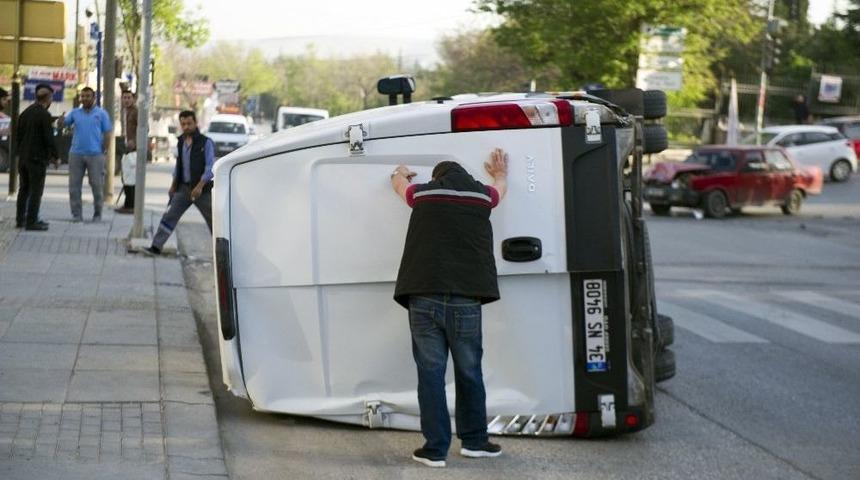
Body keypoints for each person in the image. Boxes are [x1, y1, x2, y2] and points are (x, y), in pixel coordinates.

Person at [390, 148, 509, 468]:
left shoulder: (424, 193)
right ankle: (474, 441)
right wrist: (499, 173)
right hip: (466, 299)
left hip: (424, 296)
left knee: (430, 374)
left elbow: (400, 186)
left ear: (438, 176)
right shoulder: (482, 197)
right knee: (469, 370)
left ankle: (435, 449)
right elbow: (499, 191)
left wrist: (399, 174)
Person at [144, 110, 214, 255]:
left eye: (189, 123)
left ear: (196, 123)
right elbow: (179, 166)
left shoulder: (206, 143)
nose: (186, 126)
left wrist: (200, 186)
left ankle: (222, 252)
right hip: (183, 189)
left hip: (203, 190)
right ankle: (156, 246)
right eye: (183, 124)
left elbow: (210, 168)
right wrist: (173, 186)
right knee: (169, 216)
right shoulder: (181, 141)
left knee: (214, 221)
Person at [59, 86, 113, 222]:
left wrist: (104, 149)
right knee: (74, 186)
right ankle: (76, 214)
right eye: (83, 96)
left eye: (88, 96)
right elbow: (64, 124)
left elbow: (108, 132)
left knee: (96, 185)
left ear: (94, 98)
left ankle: (97, 213)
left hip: (96, 154)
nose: (85, 98)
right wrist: (60, 121)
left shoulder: (101, 114)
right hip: (76, 153)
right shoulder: (75, 112)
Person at [15, 84, 59, 231]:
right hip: (37, 158)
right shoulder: (44, 115)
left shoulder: (25, 113)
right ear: (48, 98)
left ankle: (20, 219)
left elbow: (19, 136)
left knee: (24, 189)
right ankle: (32, 221)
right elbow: (48, 138)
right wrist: (55, 156)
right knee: (36, 190)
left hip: (23, 158)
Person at [117, 90, 138, 213]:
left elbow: (144, 128)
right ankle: (128, 204)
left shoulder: (135, 111)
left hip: (134, 149)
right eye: (124, 97)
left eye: (129, 97)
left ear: (133, 99)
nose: (126, 100)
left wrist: (134, 141)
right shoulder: (126, 111)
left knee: (130, 178)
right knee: (126, 177)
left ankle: (131, 206)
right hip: (127, 148)